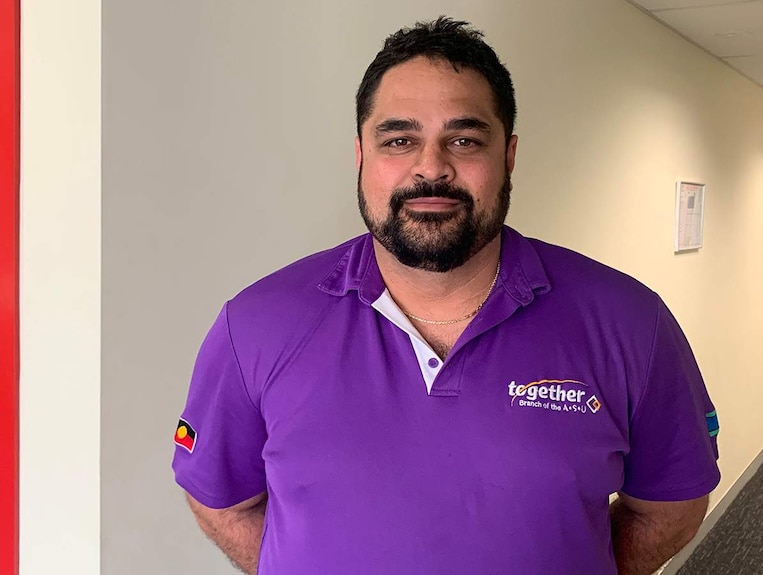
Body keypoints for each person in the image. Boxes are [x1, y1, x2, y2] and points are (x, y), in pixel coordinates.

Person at [172, 16, 720, 575]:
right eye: (399, 139)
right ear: (361, 156)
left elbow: (668, 509)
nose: (431, 167)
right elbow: (223, 501)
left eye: (463, 139)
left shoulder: (630, 323)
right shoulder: (257, 326)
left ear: (507, 156)